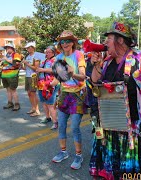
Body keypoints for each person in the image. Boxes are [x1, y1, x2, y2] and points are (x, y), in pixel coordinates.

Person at [89, 22, 141, 179]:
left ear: (120, 40)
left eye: (108, 38)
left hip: (134, 123)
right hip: (112, 122)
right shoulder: (108, 62)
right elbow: (95, 83)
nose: (105, 43)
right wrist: (96, 65)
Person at [50, 30, 87, 170]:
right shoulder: (58, 58)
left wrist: (73, 73)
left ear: (73, 42)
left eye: (68, 41)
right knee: (62, 125)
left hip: (78, 93)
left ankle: (78, 155)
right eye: (62, 41)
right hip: (64, 94)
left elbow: (83, 76)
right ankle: (63, 152)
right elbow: (58, 79)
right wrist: (52, 89)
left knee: (75, 126)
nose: (65, 43)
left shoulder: (79, 55)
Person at [36, 46, 60, 129]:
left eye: (48, 52)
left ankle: (55, 122)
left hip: (51, 84)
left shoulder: (56, 60)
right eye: (46, 52)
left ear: (53, 52)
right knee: (44, 102)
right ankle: (47, 117)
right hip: (42, 84)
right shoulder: (45, 60)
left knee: (50, 104)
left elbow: (56, 70)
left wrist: (43, 70)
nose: (46, 54)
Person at [23, 42, 44, 116]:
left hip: (33, 76)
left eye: (29, 47)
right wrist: (21, 65)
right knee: (29, 93)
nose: (27, 49)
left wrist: (27, 64)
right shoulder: (27, 56)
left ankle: (37, 110)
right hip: (27, 76)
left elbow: (36, 68)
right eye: (27, 48)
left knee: (33, 93)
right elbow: (25, 68)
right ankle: (33, 108)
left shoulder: (36, 56)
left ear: (33, 48)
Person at [1, 44, 22, 111]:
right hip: (5, 74)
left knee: (13, 90)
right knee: (8, 89)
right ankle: (10, 103)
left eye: (8, 48)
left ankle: (17, 104)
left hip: (12, 75)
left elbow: (16, 63)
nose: (6, 49)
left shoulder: (16, 54)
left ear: (12, 48)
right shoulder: (6, 56)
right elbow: (4, 64)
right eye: (6, 48)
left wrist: (6, 59)